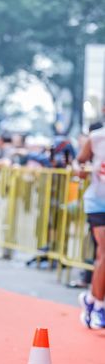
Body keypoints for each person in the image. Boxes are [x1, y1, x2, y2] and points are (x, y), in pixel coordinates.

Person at [77, 125, 105, 329]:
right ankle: (99, 306)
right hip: (98, 203)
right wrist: (81, 170)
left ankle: (90, 299)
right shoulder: (96, 138)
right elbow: (79, 161)